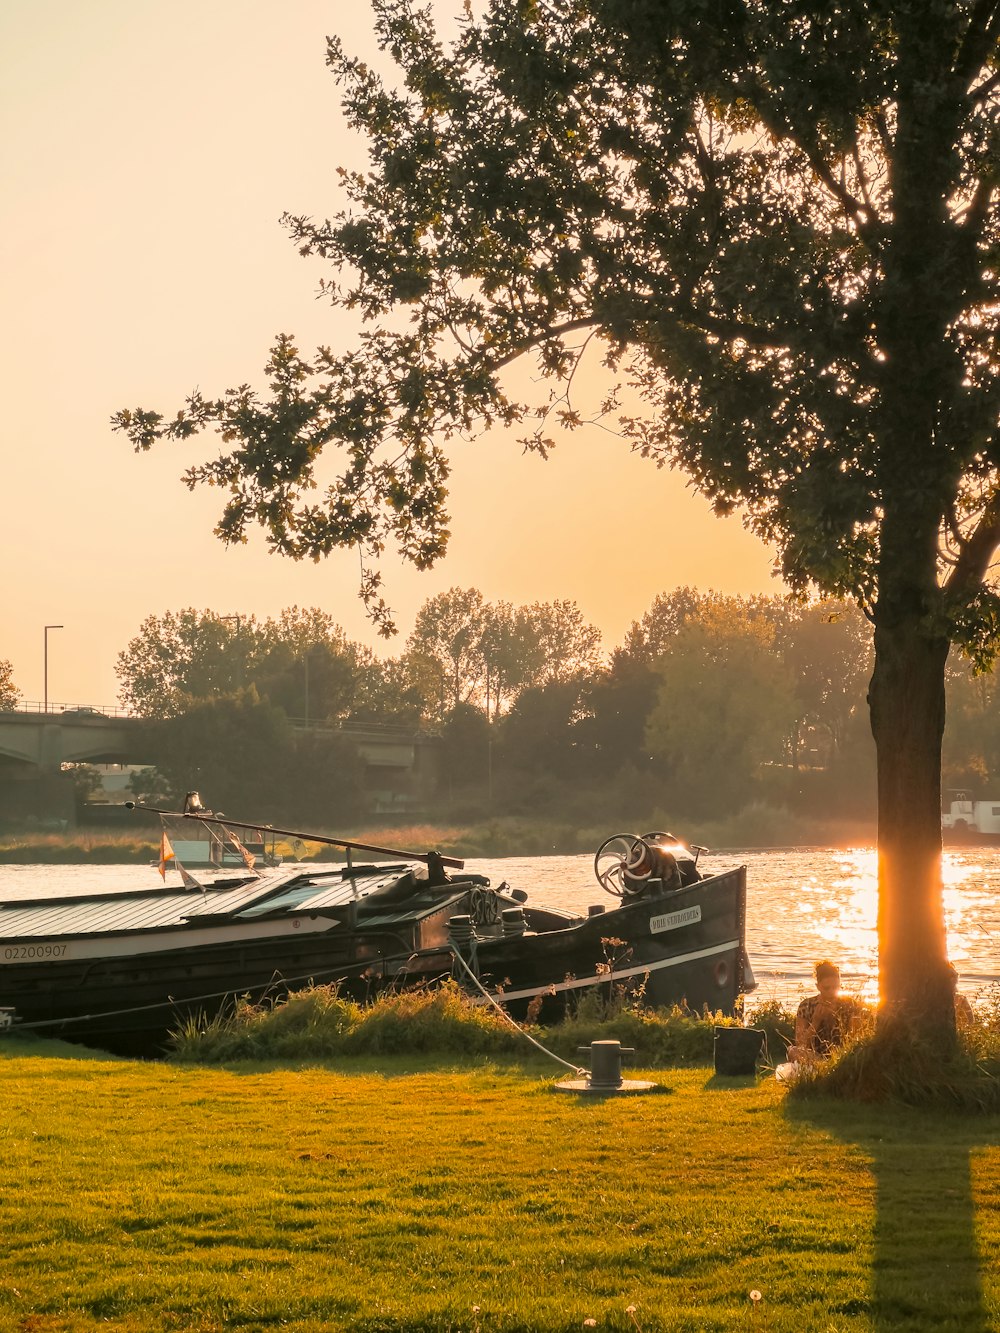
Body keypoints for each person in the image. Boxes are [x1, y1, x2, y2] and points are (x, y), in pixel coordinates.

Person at [787, 960, 859, 1064]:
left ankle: (832, 1068)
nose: (831, 992)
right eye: (827, 988)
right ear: (818, 986)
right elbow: (800, 1043)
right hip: (816, 1057)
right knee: (793, 1051)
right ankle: (823, 1067)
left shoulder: (849, 1005)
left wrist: (835, 1020)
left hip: (843, 1056)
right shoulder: (806, 1006)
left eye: (835, 987)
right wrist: (816, 1022)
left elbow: (856, 1040)